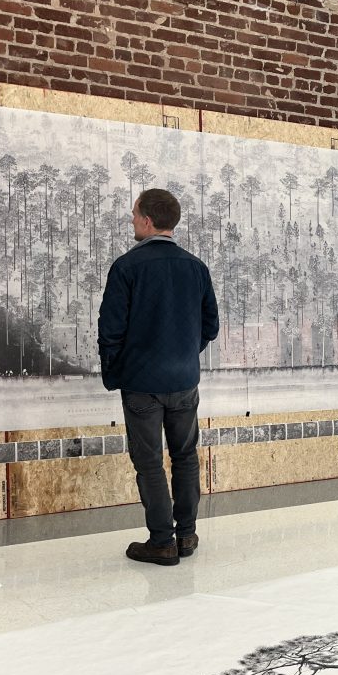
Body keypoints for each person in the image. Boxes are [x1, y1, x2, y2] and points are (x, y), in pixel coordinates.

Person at [98, 188, 219, 566]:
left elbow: (110, 330)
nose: (132, 221)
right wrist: (183, 354)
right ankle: (186, 536)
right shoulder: (196, 267)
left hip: (142, 385)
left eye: (135, 215)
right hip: (184, 381)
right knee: (185, 456)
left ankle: (162, 541)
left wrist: (118, 372)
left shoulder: (127, 267)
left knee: (149, 462)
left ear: (148, 221)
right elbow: (210, 327)